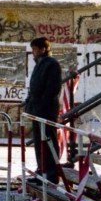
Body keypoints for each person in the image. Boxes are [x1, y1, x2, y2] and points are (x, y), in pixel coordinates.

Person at [23, 36, 63, 184]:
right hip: (37, 109)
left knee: (48, 141)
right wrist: (29, 104)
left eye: (35, 49)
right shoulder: (40, 64)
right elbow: (33, 87)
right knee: (40, 142)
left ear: (43, 49)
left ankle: (51, 175)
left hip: (46, 110)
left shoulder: (51, 64)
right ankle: (41, 171)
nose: (33, 52)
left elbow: (52, 89)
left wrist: (40, 105)